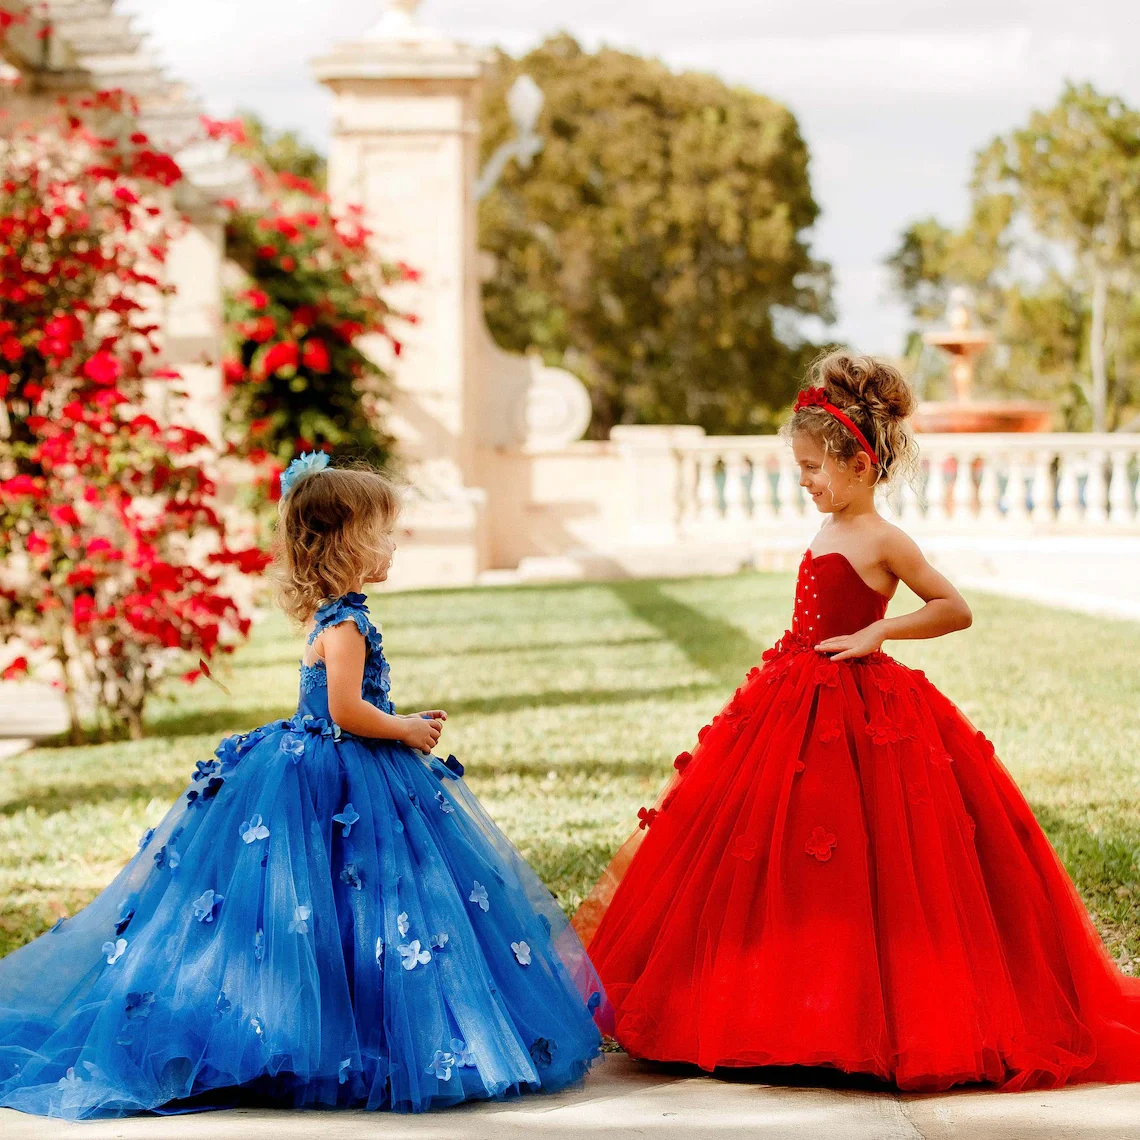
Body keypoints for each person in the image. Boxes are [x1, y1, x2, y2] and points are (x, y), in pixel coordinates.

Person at [574, 352, 1140, 1092]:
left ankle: (857, 1019)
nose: (804, 480)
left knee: (862, 855)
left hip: (860, 711)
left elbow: (954, 607)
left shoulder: (883, 538)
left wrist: (879, 634)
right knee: (773, 854)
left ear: (860, 464)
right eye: (800, 466)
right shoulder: (828, 526)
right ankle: (780, 1006)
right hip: (790, 702)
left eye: (813, 467)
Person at [0, 454, 603, 1119]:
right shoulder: (345, 626)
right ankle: (348, 1038)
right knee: (352, 896)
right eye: (383, 532)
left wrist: (396, 725)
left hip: (334, 769)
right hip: (343, 769)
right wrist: (403, 729)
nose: (393, 545)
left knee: (345, 902)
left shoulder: (338, 618)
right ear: (347, 544)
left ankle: (341, 1031)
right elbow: (346, 711)